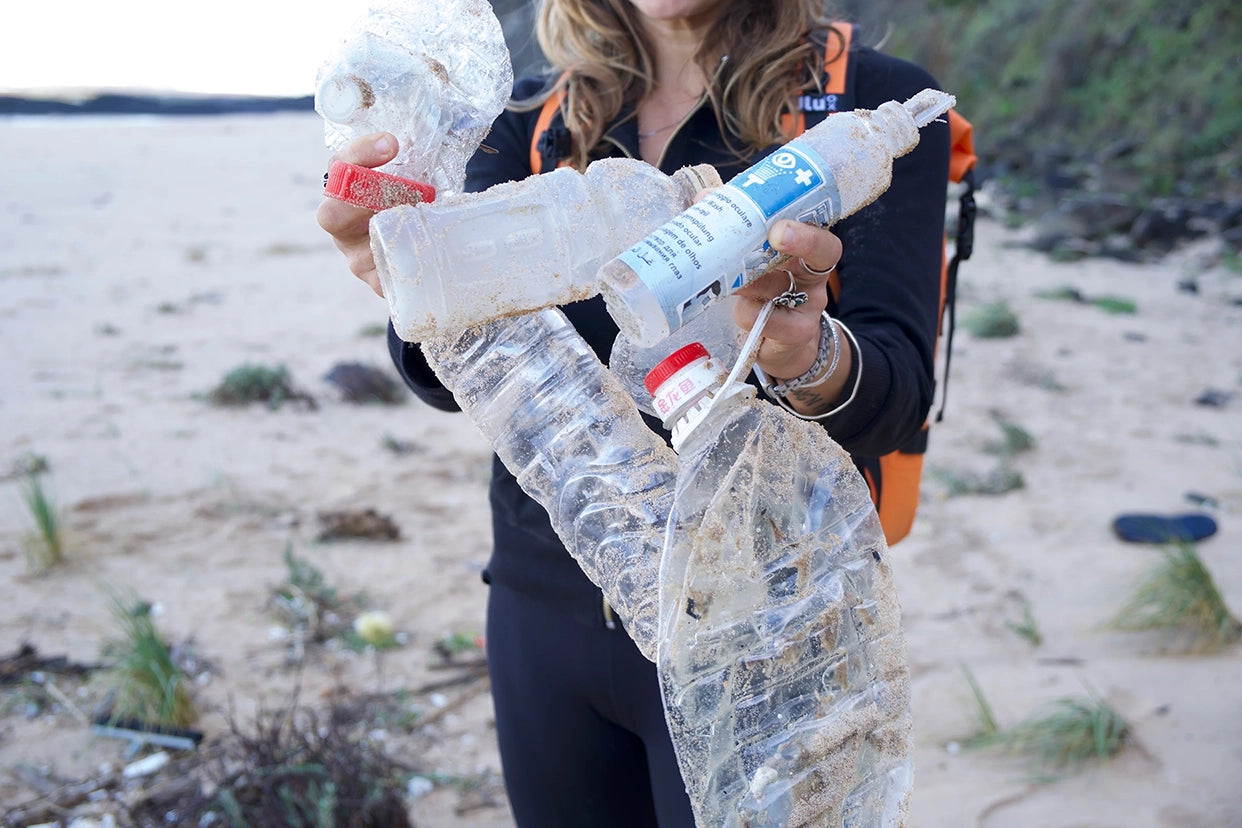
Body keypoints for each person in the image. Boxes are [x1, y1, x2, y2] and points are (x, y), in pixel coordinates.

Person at [318, 1, 950, 824]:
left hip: (766, 630)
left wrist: (803, 354)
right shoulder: (525, 116)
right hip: (547, 605)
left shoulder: (862, 99)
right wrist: (401, 279)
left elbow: (897, 399)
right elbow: (439, 374)